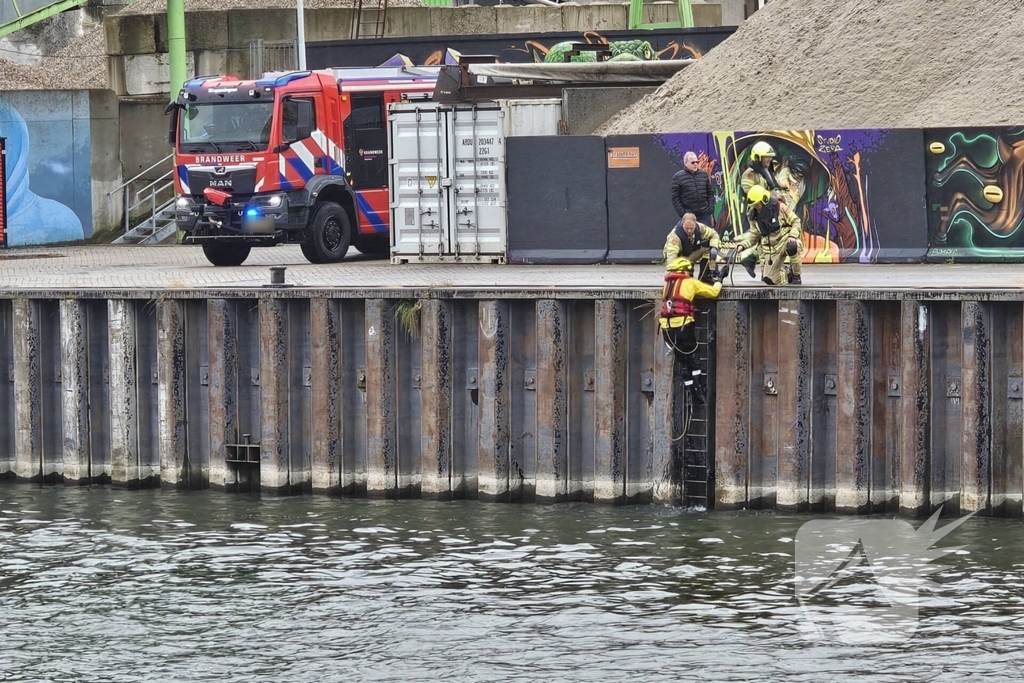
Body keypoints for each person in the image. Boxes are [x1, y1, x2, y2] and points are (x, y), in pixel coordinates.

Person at [659, 255, 722, 404]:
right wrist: (719, 280)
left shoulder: (666, 286)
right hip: (682, 327)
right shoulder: (689, 282)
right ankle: (699, 390)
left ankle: (689, 390)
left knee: (681, 360)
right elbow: (713, 293)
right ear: (686, 271)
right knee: (693, 357)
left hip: (666, 330)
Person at [732, 185, 804, 286]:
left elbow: (796, 221)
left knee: (792, 247)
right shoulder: (754, 217)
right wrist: (743, 245)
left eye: (757, 204)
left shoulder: (780, 208)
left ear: (764, 200)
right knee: (770, 280)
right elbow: (754, 234)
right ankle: (788, 274)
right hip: (772, 250)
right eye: (754, 205)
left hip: (785, 241)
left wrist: (793, 236)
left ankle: (796, 275)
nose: (756, 207)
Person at [663, 212, 728, 282]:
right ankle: (686, 270)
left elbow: (714, 234)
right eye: (686, 228)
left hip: (690, 254)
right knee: (684, 280)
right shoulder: (674, 237)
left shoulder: (700, 227)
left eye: (691, 228)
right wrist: (670, 272)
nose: (689, 231)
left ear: (695, 223)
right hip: (678, 259)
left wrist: (714, 248)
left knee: (708, 248)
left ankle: (705, 275)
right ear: (682, 224)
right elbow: (671, 256)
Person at [671, 151, 715, 226]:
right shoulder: (677, 177)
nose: (695, 164)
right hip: (688, 216)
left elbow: (710, 193)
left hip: (704, 215)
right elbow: (675, 198)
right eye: (692, 162)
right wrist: (683, 214)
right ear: (685, 163)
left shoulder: (703, 175)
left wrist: (710, 210)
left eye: (697, 162)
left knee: (705, 236)